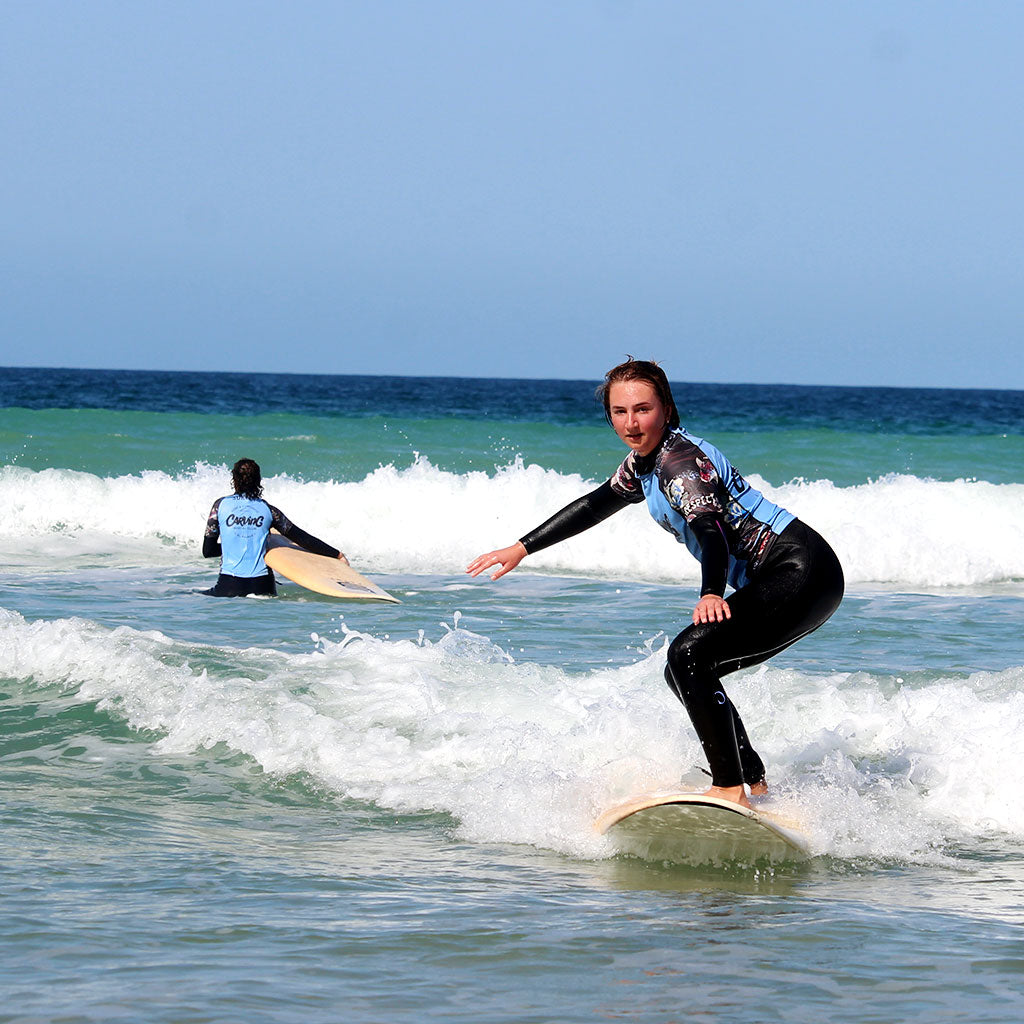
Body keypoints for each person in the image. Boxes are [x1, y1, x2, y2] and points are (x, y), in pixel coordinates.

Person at [467, 358, 844, 809]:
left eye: (642, 409)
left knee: (689, 653)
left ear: (666, 408)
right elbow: (595, 504)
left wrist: (711, 592)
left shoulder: (679, 463)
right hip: (796, 574)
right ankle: (752, 780)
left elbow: (711, 532)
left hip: (801, 570)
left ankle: (729, 789)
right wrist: (523, 547)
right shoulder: (644, 463)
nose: (631, 423)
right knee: (685, 667)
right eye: (619, 412)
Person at [202, 458, 348, 597]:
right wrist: (337, 555)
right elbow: (303, 538)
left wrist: (233, 546)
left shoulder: (219, 506)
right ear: (258, 480)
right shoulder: (270, 511)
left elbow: (208, 551)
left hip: (229, 587)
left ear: (234, 481)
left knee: (192, 594)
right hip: (262, 586)